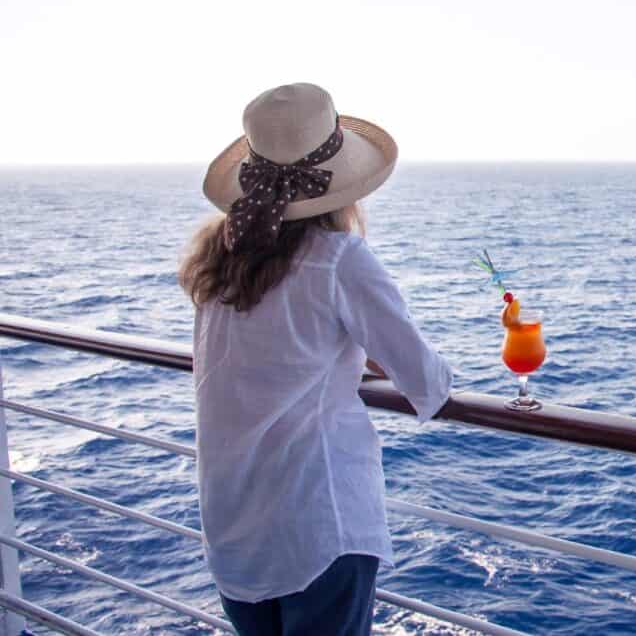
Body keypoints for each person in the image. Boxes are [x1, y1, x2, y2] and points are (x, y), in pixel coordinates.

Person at [178, 82, 453, 635]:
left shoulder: (218, 261)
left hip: (235, 532)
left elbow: (272, 351)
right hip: (316, 530)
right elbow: (427, 384)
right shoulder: (337, 260)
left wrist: (344, 347)